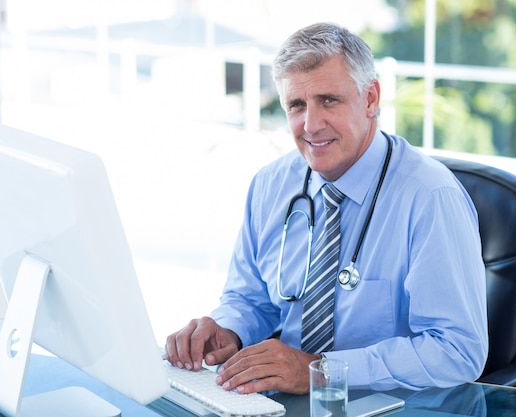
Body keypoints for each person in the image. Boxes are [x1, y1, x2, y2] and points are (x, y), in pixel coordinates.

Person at [165, 22, 488, 395]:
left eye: (328, 100)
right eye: (296, 105)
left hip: (389, 405)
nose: (311, 125)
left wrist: (323, 370)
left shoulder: (431, 198)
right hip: (283, 402)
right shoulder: (271, 185)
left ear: (370, 99)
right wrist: (227, 329)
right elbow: (248, 298)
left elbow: (458, 350)